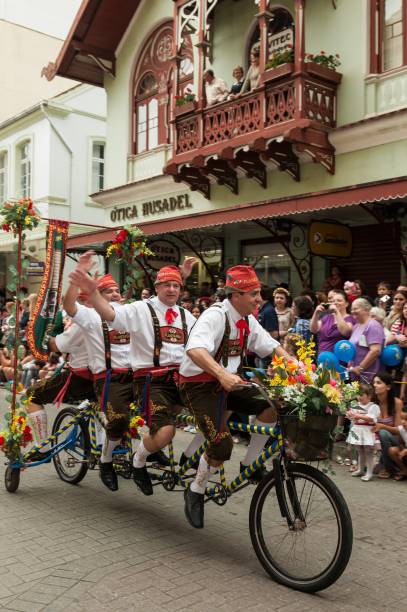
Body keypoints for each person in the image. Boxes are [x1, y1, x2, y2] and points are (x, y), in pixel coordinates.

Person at [69, 259, 203, 497]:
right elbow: (110, 314)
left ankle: (180, 456)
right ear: (156, 287)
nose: (171, 289)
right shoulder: (139, 309)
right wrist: (90, 289)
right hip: (132, 378)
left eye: (176, 286)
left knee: (209, 411)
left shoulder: (186, 316)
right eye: (166, 285)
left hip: (173, 379)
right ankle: (109, 458)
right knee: (120, 420)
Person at [178, 265, 294, 529]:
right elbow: (194, 349)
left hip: (229, 383)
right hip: (199, 386)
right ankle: (195, 490)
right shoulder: (215, 315)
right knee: (221, 444)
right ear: (236, 294)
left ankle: (250, 464)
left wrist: (299, 369)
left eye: (258, 293)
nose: (259, 299)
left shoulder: (248, 320)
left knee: (270, 408)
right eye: (253, 293)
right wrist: (221, 373)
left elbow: (272, 347)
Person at [372, 372, 404, 479]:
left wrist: (383, 426)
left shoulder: (396, 403)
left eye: (379, 383)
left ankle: (389, 469)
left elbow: (399, 430)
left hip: (394, 439)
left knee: (383, 433)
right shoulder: (372, 403)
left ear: (388, 387)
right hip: (376, 442)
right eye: (374, 383)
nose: (375, 385)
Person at [346, 384, 380, 482]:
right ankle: (360, 469)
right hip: (358, 430)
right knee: (360, 450)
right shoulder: (356, 406)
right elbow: (351, 417)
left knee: (368, 452)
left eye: (362, 395)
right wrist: (349, 414)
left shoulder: (373, 406)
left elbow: (372, 418)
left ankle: (369, 472)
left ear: (369, 396)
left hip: (367, 431)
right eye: (358, 395)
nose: (359, 397)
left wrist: (358, 415)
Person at [349, 298, 384, 382]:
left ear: (366, 309)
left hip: (368, 374)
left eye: (356, 308)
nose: (352, 311)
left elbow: (375, 351)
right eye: (352, 309)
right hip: (355, 373)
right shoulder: (356, 326)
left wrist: (360, 367)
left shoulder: (373, 325)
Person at [310, 289, 354, 355]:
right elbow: (313, 329)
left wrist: (336, 312)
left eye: (339, 300)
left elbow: (346, 332)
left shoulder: (350, 318)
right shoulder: (327, 317)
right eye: (333, 301)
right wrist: (316, 314)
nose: (335, 303)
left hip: (340, 359)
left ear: (346, 304)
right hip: (322, 358)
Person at [387, 410, 407, 480]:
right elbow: (401, 442)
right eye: (402, 419)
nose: (403, 422)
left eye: (406, 419)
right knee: (392, 450)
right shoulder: (401, 429)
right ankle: (404, 470)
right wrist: (402, 450)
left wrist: (405, 451)